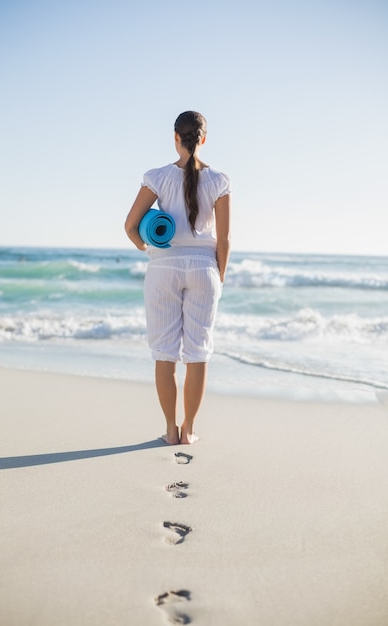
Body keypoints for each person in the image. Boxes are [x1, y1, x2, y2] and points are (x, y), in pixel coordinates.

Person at [125, 111, 231, 445]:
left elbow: (130, 226)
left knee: (164, 353)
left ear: (175, 137)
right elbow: (225, 241)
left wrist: (149, 248)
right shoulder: (220, 180)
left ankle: (170, 430)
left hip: (163, 268)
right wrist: (220, 275)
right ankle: (189, 430)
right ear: (203, 138)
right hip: (204, 268)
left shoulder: (156, 177)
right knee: (198, 352)